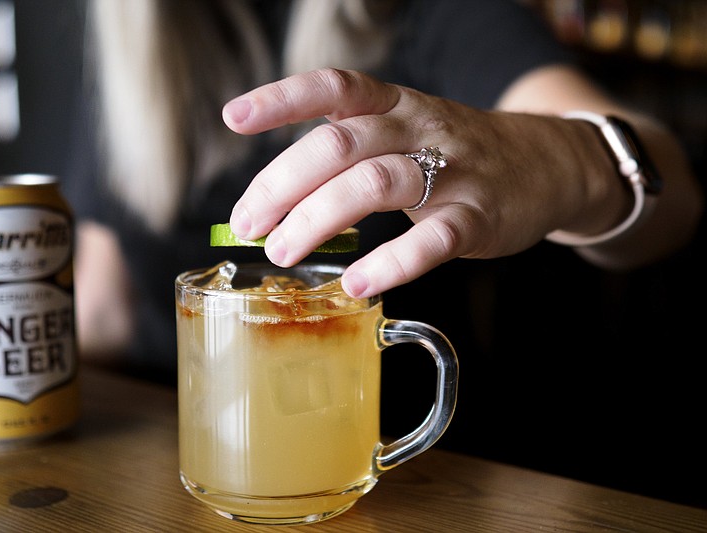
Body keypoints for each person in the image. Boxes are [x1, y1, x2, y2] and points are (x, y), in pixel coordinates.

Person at [65, 0, 705, 507]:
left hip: (411, 489)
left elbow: (674, 195)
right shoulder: (134, 38)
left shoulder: (430, 14)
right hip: (170, 479)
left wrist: (567, 161)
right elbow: (103, 312)